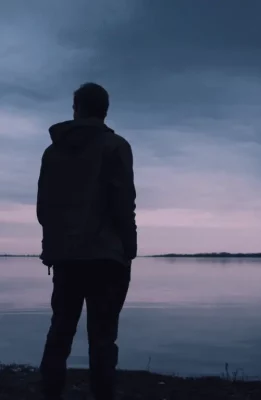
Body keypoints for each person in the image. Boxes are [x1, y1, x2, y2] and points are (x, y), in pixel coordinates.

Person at [36, 82, 137, 400]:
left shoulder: (53, 152)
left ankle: (49, 394)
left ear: (76, 108)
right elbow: (123, 202)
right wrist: (129, 248)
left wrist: (52, 247)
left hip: (66, 256)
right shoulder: (116, 146)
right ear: (105, 111)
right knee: (103, 338)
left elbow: (44, 208)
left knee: (60, 332)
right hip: (107, 257)